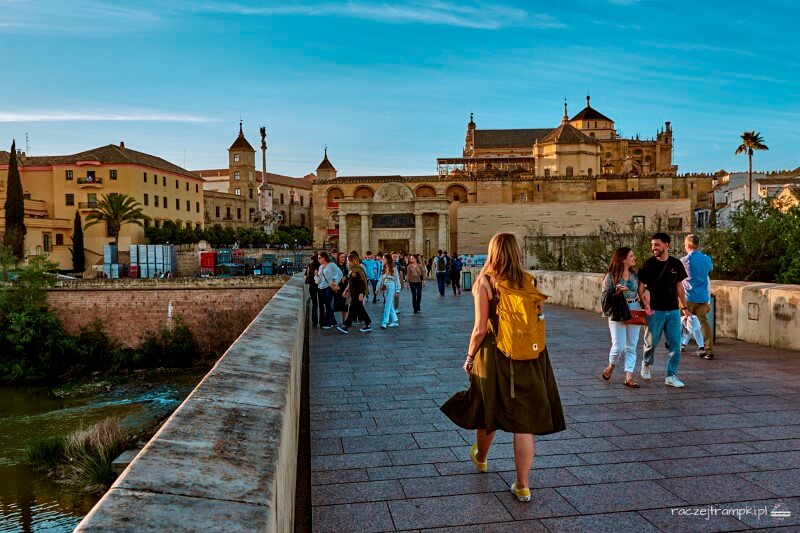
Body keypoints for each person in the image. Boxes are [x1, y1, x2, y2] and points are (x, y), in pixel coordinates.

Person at [440, 233, 565, 503]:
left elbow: (480, 328)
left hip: (494, 354)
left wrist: (470, 357)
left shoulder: (485, 282)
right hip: (530, 356)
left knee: (488, 407)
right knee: (525, 422)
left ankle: (482, 458)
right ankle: (523, 486)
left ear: (492, 252)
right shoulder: (528, 281)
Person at [638, 232, 691, 388]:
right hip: (655, 310)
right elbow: (641, 288)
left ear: (666, 245)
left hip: (673, 310)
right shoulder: (648, 264)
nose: (654, 248)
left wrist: (685, 307)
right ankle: (646, 363)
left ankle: (671, 375)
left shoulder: (676, 264)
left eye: (657, 245)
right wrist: (645, 306)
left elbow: (680, 287)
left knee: (676, 344)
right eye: (652, 245)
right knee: (651, 343)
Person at [601, 247, 644, 388]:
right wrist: (617, 291)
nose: (634, 258)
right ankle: (611, 366)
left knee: (631, 345)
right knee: (618, 346)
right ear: (623, 259)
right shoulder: (610, 277)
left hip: (634, 309)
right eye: (631, 256)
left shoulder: (635, 275)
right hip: (618, 311)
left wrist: (647, 300)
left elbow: (642, 291)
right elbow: (605, 297)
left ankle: (629, 377)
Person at [681, 234, 714, 359]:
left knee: (682, 321)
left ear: (688, 245)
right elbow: (707, 273)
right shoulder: (707, 259)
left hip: (688, 297)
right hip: (703, 297)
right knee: (703, 323)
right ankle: (708, 350)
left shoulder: (684, 261)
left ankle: (679, 345)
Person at [337, 252, 372, 333]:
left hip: (357, 293)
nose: (347, 262)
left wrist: (361, 293)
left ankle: (346, 326)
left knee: (353, 309)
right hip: (354, 293)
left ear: (353, 261)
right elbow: (351, 282)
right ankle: (367, 324)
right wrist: (346, 290)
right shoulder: (353, 270)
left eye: (348, 260)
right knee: (359, 309)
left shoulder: (356, 270)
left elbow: (361, 282)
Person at [313, 252, 342, 330]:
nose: (319, 260)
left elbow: (340, 273)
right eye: (318, 258)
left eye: (320, 258)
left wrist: (334, 281)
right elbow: (318, 281)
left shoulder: (331, 265)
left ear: (324, 258)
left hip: (328, 287)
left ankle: (329, 323)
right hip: (320, 288)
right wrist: (316, 275)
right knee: (325, 305)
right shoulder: (320, 267)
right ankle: (333, 322)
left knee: (328, 304)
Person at [379, 254, 400, 329]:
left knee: (387, 304)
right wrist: (377, 288)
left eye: (384, 259)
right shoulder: (383, 268)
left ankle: (384, 322)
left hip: (391, 285)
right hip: (385, 286)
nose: (382, 260)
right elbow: (381, 278)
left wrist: (398, 290)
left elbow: (397, 279)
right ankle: (394, 320)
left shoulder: (394, 268)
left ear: (387, 259)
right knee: (390, 304)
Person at [305, 253, 323, 328]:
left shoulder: (309, 266)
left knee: (314, 304)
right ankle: (322, 322)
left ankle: (314, 322)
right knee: (321, 305)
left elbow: (305, 275)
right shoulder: (321, 266)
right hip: (320, 286)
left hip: (312, 286)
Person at [334, 252, 350, 324]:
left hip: (345, 288)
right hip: (337, 288)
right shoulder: (335, 266)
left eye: (344, 257)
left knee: (345, 305)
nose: (343, 258)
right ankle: (332, 321)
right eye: (341, 257)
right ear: (338, 258)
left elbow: (350, 275)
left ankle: (344, 320)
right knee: (335, 305)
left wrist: (346, 276)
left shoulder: (346, 266)